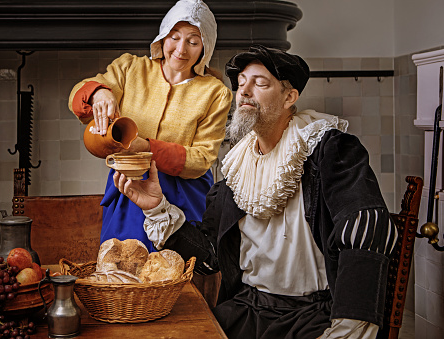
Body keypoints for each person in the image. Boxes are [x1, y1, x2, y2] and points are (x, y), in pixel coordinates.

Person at [113, 45, 398, 339]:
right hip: (248, 309)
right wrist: (157, 207)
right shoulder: (238, 165)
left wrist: (350, 325)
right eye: (241, 84)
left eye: (260, 83)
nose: (245, 92)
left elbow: (366, 225)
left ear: (290, 97)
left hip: (315, 316)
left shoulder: (326, 149)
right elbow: (210, 257)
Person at [68, 0, 233, 252]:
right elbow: (78, 98)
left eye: (193, 41)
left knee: (181, 277)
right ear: (163, 36)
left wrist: (145, 147)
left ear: (205, 48)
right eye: (174, 37)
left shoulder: (216, 93)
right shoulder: (130, 68)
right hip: (128, 187)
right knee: (122, 268)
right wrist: (99, 93)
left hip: (184, 197)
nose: (181, 49)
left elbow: (202, 159)